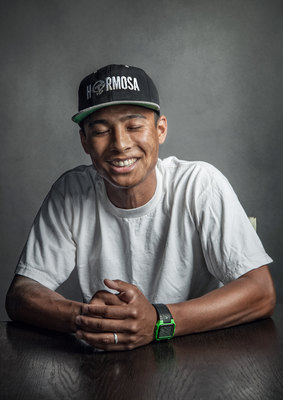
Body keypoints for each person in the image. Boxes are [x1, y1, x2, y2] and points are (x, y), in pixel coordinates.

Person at [6, 64, 276, 351]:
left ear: (160, 130)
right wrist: (94, 319)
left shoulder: (200, 184)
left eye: (134, 126)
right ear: (84, 141)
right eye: (100, 131)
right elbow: (21, 295)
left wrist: (158, 322)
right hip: (109, 367)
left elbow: (261, 292)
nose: (120, 144)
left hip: (198, 355)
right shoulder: (71, 192)